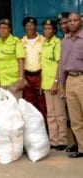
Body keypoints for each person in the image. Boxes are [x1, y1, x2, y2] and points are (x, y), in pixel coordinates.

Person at [59, 12, 83, 158]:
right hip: (70, 81)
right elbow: (62, 65)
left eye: (75, 20)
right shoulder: (65, 41)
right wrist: (61, 84)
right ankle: (81, 148)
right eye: (70, 21)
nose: (72, 23)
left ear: (80, 22)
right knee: (75, 120)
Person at [41, 19, 67, 151]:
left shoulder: (57, 43)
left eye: (49, 28)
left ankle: (62, 140)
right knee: (50, 114)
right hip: (45, 83)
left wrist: (56, 82)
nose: (47, 31)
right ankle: (53, 140)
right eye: (45, 28)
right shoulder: (44, 43)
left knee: (60, 114)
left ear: (54, 30)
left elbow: (59, 64)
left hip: (54, 83)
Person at [0, 19, 26, 99]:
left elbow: (21, 61)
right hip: (0, 81)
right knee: (3, 108)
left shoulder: (16, 42)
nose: (3, 30)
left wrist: (21, 79)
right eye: (1, 28)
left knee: (14, 107)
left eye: (5, 28)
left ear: (9, 29)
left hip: (13, 81)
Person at [21, 17, 47, 121]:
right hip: (27, 76)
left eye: (32, 25)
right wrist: (22, 78)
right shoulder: (21, 42)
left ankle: (45, 130)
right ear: (24, 27)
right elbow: (20, 61)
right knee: (29, 105)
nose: (30, 27)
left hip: (40, 76)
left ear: (36, 26)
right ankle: (32, 131)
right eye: (27, 25)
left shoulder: (43, 40)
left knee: (42, 104)